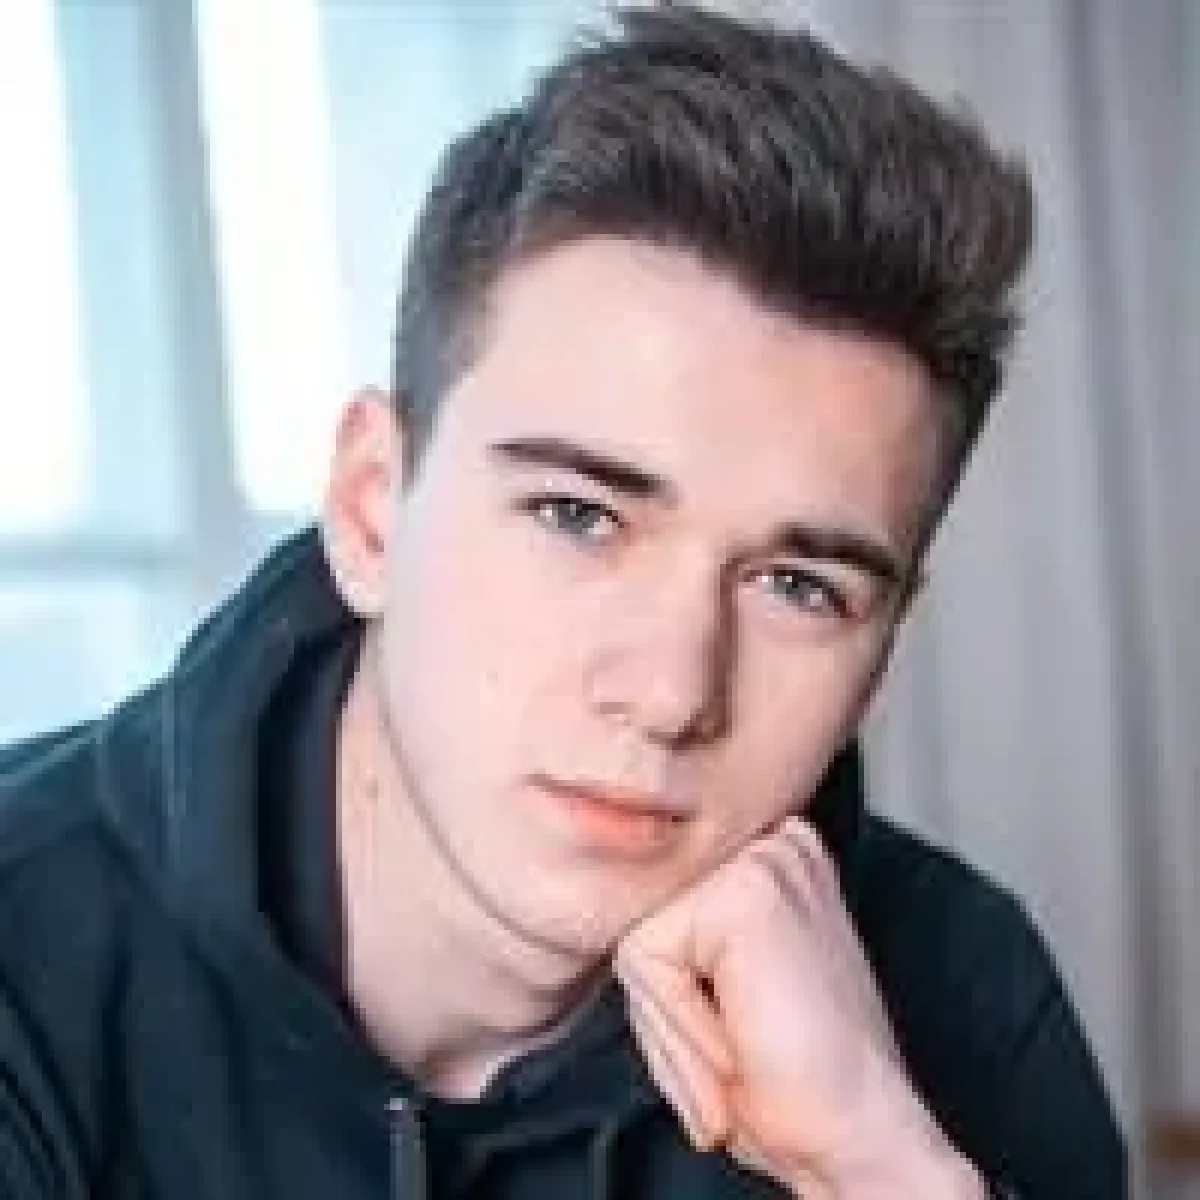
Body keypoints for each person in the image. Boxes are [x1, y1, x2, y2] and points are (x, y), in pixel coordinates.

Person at [0, 6, 1125, 1198]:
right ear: (373, 511)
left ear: (880, 654)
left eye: (799, 586)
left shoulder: (957, 1000)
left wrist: (880, 1167)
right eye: (579, 516)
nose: (673, 692)